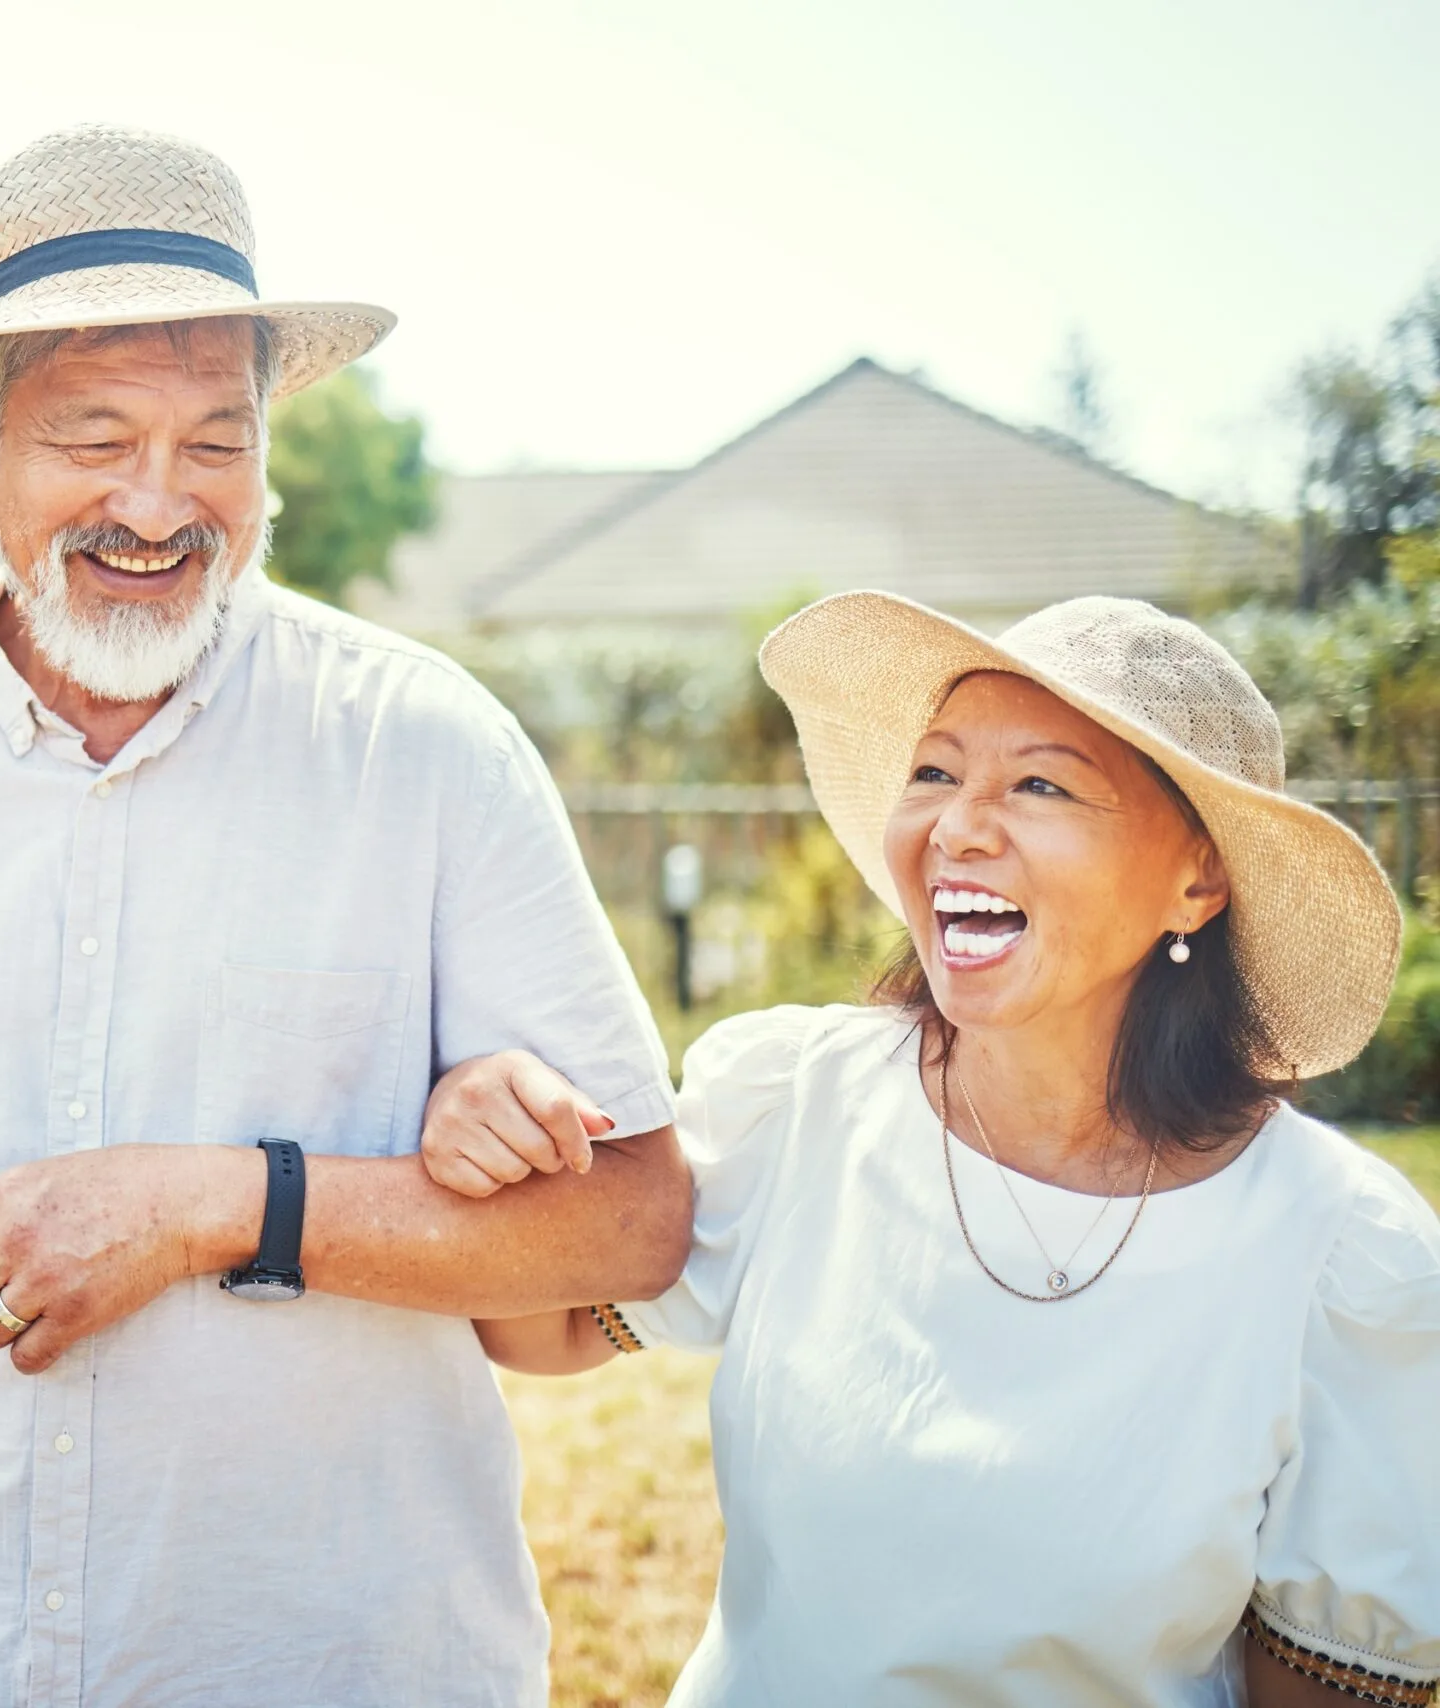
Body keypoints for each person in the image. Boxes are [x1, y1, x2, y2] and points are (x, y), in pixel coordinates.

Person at [0, 124, 692, 1708]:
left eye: (217, 440)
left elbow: (633, 1221)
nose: (158, 502)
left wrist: (215, 1201)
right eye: (93, 434)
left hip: (348, 1661)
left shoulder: (423, 745)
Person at [422, 592, 1440, 1706]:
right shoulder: (798, 1100)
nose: (957, 825)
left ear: (1195, 881)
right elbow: (545, 1325)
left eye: (1039, 783)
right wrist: (495, 1123)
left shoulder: (1339, 1257)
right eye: (934, 773)